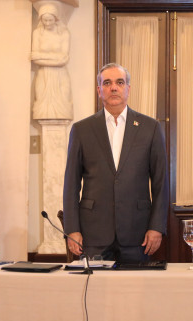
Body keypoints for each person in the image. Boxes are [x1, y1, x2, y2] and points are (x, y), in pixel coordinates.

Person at [62, 63, 168, 262]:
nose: (113, 88)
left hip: (137, 233)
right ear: (99, 90)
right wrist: (72, 229)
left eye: (119, 82)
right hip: (93, 233)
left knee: (135, 283)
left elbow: (161, 182)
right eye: (107, 83)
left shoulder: (150, 128)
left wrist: (156, 227)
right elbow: (71, 184)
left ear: (128, 88)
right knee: (94, 283)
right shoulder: (82, 129)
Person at [31, 3, 73, 120]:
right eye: (45, 20)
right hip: (43, 74)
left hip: (60, 75)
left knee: (63, 105)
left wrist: (41, 56)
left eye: (50, 20)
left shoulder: (64, 33)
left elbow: (64, 59)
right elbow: (35, 59)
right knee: (42, 107)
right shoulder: (37, 33)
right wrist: (56, 58)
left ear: (56, 18)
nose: (48, 23)